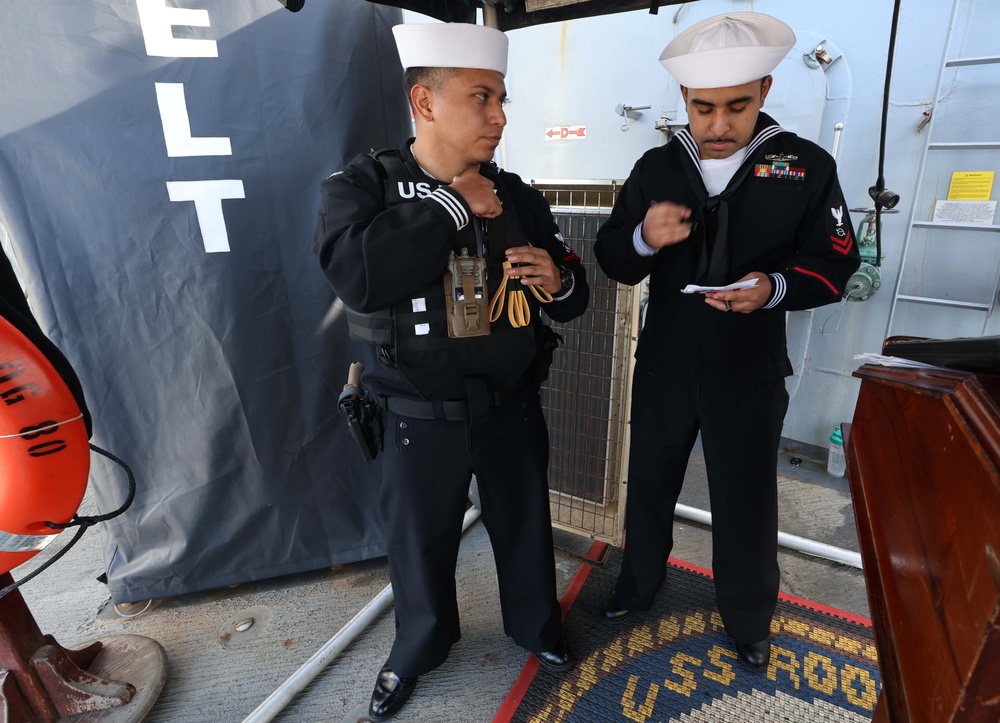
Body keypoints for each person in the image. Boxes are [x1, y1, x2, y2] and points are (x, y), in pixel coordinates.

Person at [312, 22, 588, 721]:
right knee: (418, 543)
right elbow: (359, 274)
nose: (500, 115)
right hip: (414, 417)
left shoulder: (517, 194)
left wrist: (556, 281)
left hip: (510, 407)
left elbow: (575, 293)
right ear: (426, 103)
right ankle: (419, 645)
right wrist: (455, 203)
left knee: (526, 529)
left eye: (502, 98)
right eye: (482, 97)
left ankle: (537, 627)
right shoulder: (361, 187)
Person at [594, 12, 860, 670]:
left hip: (750, 366)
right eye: (703, 107)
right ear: (684, 99)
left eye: (736, 106)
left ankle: (748, 617)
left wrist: (770, 287)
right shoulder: (657, 168)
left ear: (766, 90)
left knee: (745, 497)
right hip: (666, 362)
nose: (718, 124)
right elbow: (611, 256)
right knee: (649, 481)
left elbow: (836, 265)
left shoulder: (803, 168)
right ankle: (638, 585)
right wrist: (640, 238)